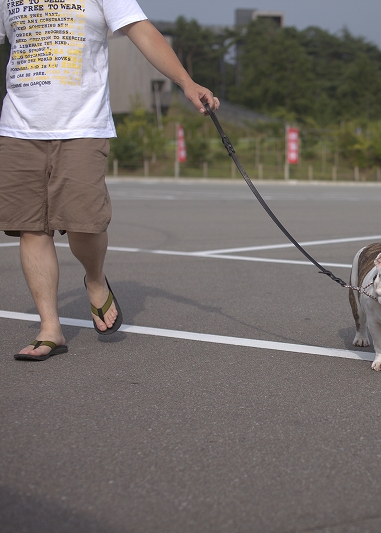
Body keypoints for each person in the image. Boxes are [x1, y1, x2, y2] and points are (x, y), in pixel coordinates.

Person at [0, 0, 220, 361]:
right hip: (18, 127)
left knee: (85, 222)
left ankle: (95, 278)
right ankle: (50, 328)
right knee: (31, 227)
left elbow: (142, 31)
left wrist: (186, 81)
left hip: (82, 125)